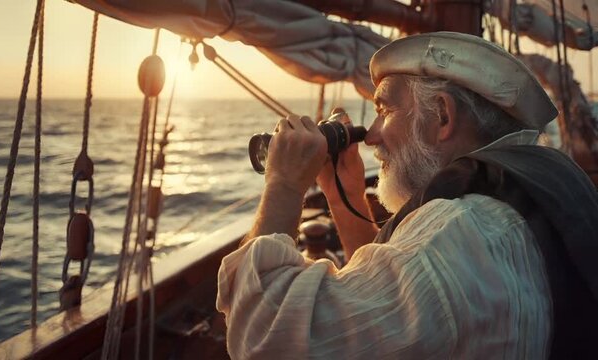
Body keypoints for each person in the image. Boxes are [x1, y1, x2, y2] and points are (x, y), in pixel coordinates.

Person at [216, 32, 598, 359]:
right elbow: (383, 309)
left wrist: (283, 182)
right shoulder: (517, 205)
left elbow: (264, 337)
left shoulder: (458, 234)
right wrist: (343, 196)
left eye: (384, 109)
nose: (372, 135)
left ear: (442, 117)